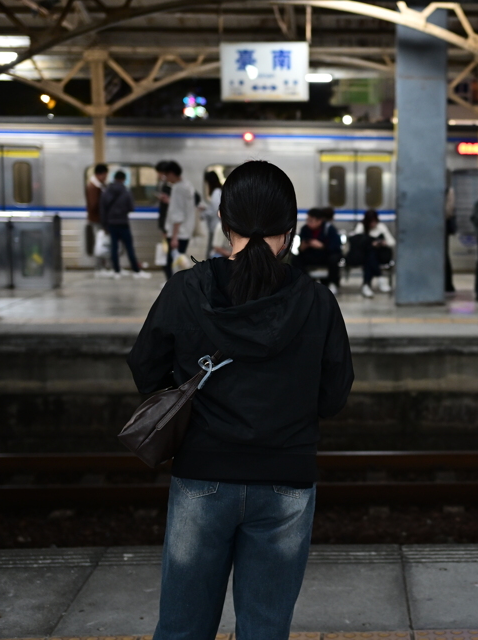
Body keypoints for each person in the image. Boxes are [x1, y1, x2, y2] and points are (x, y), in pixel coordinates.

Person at [127, 160, 354, 640]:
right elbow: (333, 397)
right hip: (286, 481)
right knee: (265, 630)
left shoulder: (186, 289)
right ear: (289, 230)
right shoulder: (316, 302)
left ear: (224, 224)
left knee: (183, 628)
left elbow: (145, 369)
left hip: (201, 476)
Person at [99, 170, 151, 279]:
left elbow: (102, 210)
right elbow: (131, 208)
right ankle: (136, 271)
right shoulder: (126, 192)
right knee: (129, 247)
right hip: (123, 223)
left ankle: (116, 271)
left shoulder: (106, 191)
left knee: (114, 247)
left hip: (111, 224)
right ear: (123, 179)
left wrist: (104, 225)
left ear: (114, 178)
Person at [293, 208, 343, 294]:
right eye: (308, 220)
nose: (308, 223)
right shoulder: (305, 229)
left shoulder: (329, 229)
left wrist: (322, 246)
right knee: (296, 259)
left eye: (311, 221)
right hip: (311, 254)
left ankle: (333, 283)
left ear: (319, 221)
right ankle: (304, 283)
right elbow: (301, 248)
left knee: (334, 259)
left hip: (326, 255)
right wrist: (303, 247)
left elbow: (336, 247)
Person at [163, 161, 197, 280]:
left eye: (166, 175)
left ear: (172, 174)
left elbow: (178, 214)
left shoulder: (178, 188)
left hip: (178, 232)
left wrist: (174, 237)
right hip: (185, 231)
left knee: (171, 263)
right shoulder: (187, 185)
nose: (166, 178)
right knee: (178, 260)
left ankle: (171, 286)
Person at [350, 209, 396, 298]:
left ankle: (366, 285)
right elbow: (357, 242)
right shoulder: (361, 227)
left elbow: (392, 242)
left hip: (380, 255)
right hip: (364, 255)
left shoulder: (381, 227)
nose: (373, 224)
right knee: (370, 254)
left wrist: (383, 243)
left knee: (370, 257)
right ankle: (379, 278)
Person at [86, 163, 110, 277]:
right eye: (105, 175)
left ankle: (102, 266)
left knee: (101, 243)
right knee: (100, 244)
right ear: (100, 174)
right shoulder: (93, 187)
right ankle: (99, 267)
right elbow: (94, 204)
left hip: (98, 219)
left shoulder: (99, 186)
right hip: (97, 219)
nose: (106, 177)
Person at [203, 171, 223, 260]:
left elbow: (215, 210)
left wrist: (205, 212)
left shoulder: (216, 193)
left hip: (215, 226)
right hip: (216, 225)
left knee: (212, 249)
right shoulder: (219, 191)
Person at [445, 183, 457, 294]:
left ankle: (447, 284)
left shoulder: (449, 190)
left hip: (443, 228)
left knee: (444, 255)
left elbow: (449, 211)